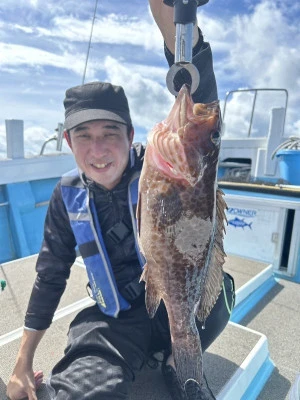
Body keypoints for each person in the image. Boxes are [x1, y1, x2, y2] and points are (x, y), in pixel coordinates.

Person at [6, 1, 235, 399]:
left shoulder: (158, 166)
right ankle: (159, 355)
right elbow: (49, 275)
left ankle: (173, 360)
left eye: (110, 131)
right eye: (84, 135)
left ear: (131, 136)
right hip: (116, 319)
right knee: (85, 390)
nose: (98, 149)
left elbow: (200, 94)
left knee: (223, 295)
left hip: (172, 308)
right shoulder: (68, 197)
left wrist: (171, 12)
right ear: (67, 142)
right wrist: (23, 361)